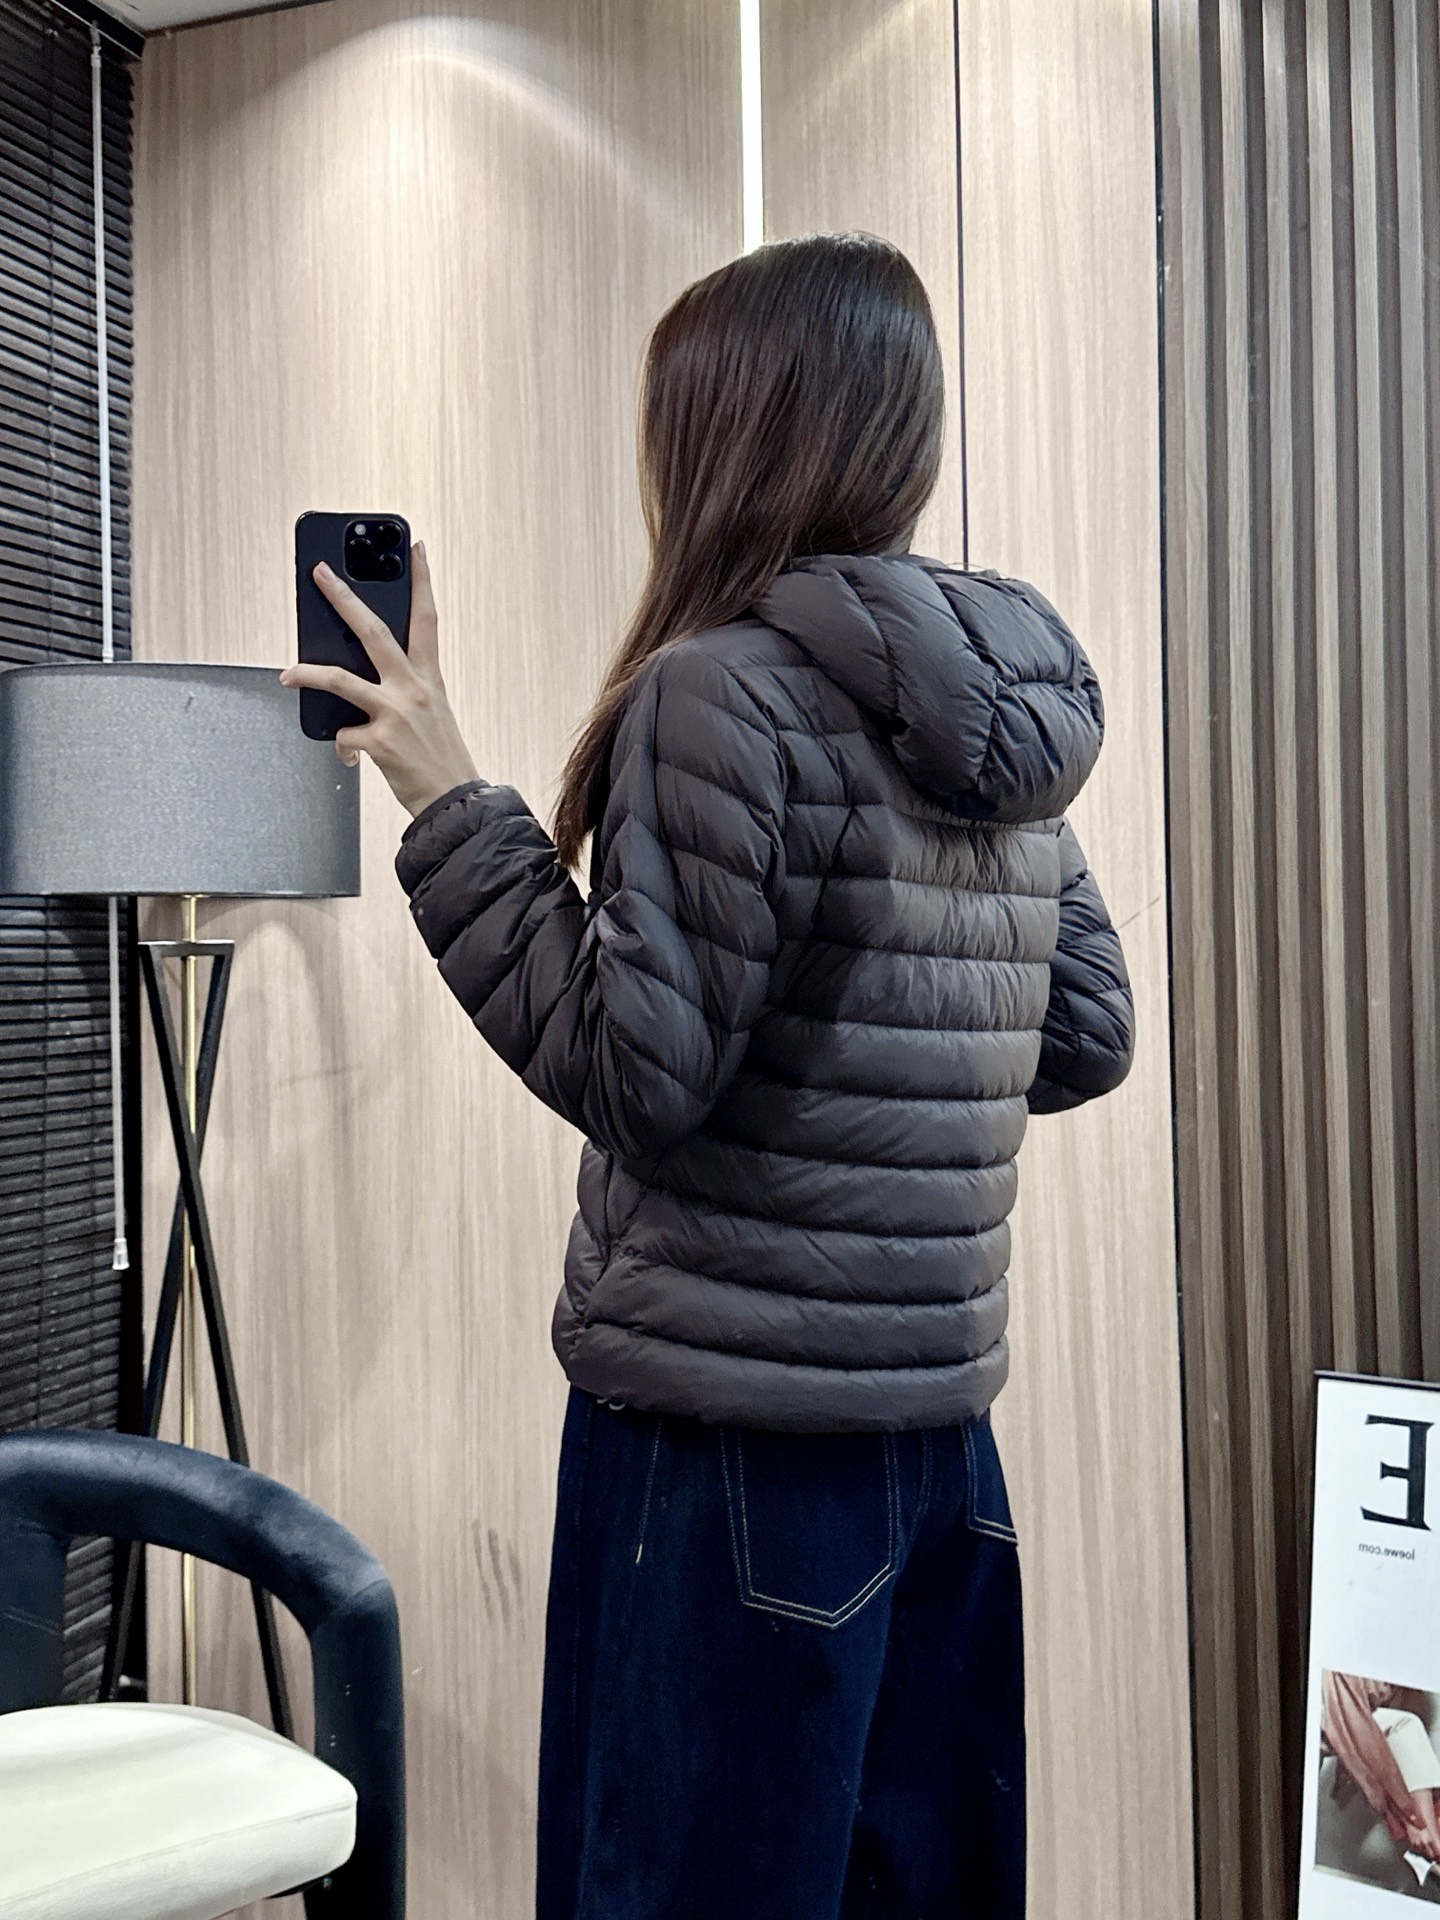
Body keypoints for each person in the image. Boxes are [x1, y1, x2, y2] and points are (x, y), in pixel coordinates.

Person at [281, 232, 1134, 1920]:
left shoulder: (716, 693)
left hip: (730, 1467)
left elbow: (637, 1075)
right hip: (942, 1461)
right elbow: (1085, 1029)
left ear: (724, 435)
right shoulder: (990, 712)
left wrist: (448, 798)